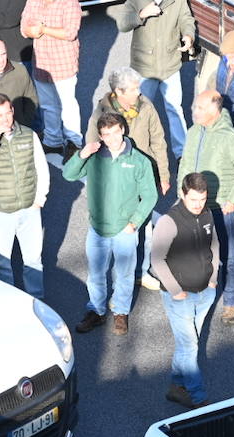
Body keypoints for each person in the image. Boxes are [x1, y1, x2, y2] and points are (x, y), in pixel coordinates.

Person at [64, 113, 159, 336]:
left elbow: (150, 196)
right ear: (100, 136)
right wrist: (83, 153)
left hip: (125, 230)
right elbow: (68, 174)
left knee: (124, 275)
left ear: (123, 130)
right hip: (98, 229)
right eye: (106, 134)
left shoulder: (139, 161)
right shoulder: (94, 157)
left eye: (116, 132)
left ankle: (121, 312)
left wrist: (134, 223)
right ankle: (96, 311)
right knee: (96, 274)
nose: (112, 138)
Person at [86, 66, 173, 291]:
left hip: (142, 175)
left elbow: (159, 141)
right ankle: (116, 273)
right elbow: (91, 145)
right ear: (119, 92)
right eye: (134, 89)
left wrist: (163, 174)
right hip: (116, 179)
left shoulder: (145, 106)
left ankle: (140, 272)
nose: (139, 92)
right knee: (117, 229)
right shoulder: (102, 112)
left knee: (144, 229)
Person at [179, 91, 234, 325]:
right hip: (194, 207)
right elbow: (184, 163)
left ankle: (231, 299)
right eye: (195, 106)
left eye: (199, 108)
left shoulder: (230, 137)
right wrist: (182, 195)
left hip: (221, 209)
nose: (194, 111)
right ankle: (198, 294)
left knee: (228, 256)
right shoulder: (193, 132)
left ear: (215, 111)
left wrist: (233, 199)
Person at [150, 172, 220, 409]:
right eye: (194, 200)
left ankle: (176, 386)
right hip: (179, 297)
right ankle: (199, 397)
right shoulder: (169, 221)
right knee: (190, 346)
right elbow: (157, 260)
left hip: (205, 292)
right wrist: (175, 290)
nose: (199, 205)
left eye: (203, 199)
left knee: (187, 343)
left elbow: (215, 245)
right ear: (182, 194)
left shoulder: (208, 213)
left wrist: (213, 279)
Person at [0, 93, 48, 298]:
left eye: (7, 113)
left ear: (12, 111)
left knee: (33, 260)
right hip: (1, 212)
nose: (4, 119)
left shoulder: (28, 135)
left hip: (29, 209)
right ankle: (8, 301)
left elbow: (41, 167)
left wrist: (40, 198)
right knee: (2, 264)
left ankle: (37, 300)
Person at [116, 0, 195, 158]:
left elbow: (186, 18)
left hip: (170, 65)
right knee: (138, 111)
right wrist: (141, 14)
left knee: (175, 109)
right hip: (144, 68)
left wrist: (188, 35)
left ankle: (182, 155)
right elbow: (122, 24)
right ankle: (136, 150)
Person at [20, 0, 83, 155]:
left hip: (63, 63)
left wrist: (43, 29)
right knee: (48, 105)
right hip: (41, 62)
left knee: (68, 106)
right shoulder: (33, 1)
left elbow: (70, 33)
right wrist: (30, 31)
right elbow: (23, 27)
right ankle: (52, 141)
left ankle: (74, 143)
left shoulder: (69, 3)